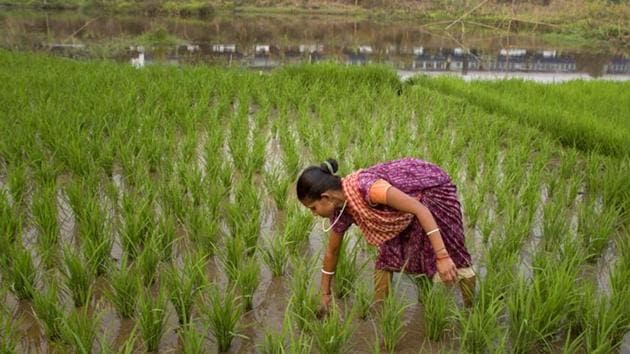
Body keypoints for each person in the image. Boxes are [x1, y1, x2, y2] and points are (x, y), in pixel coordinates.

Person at [296, 157, 476, 315]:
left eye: (313, 207)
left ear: (326, 197)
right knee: (387, 259)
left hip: (432, 193)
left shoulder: (368, 188)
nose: (313, 213)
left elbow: (420, 209)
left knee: (453, 255)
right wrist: (325, 294)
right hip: (398, 212)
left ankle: (471, 311)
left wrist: (442, 256)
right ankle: (381, 314)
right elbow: (331, 253)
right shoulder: (341, 209)